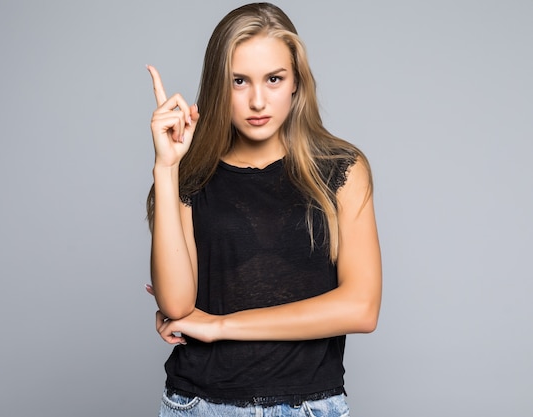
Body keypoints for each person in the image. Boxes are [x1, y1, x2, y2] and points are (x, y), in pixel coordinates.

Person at [145, 2, 381, 416]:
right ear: (220, 85)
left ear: (296, 82)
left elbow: (361, 308)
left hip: (309, 405)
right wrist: (167, 168)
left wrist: (220, 326)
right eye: (239, 81)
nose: (258, 100)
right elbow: (178, 307)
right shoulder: (191, 175)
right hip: (199, 404)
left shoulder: (341, 169)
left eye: (274, 79)